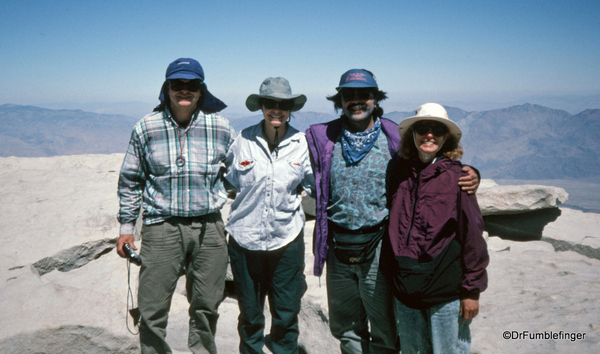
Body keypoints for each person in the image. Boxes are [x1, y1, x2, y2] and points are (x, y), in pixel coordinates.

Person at [305, 69, 480, 354]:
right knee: (346, 327)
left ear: (376, 99)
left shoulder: (394, 140)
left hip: (378, 246)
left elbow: (429, 166)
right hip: (337, 246)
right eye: (349, 95)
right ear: (340, 100)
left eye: (365, 95)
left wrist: (472, 173)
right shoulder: (322, 138)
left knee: (385, 327)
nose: (357, 101)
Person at [116, 58, 235, 354]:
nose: (185, 90)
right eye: (177, 84)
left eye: (191, 85)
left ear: (201, 89)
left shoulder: (220, 126)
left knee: (207, 305)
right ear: (166, 88)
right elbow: (130, 181)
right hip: (161, 227)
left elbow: (238, 174)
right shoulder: (147, 127)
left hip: (209, 226)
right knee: (152, 309)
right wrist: (126, 229)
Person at [385, 103, 489, 354]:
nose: (429, 134)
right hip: (406, 289)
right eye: (422, 127)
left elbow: (473, 235)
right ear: (413, 134)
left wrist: (471, 291)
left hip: (445, 291)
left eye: (437, 130)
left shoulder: (458, 178)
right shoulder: (398, 171)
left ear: (446, 138)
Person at [224, 77, 314, 354]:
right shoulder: (243, 140)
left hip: (286, 239)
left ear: (290, 108)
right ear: (261, 107)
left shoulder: (302, 143)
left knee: (287, 312)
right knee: (250, 314)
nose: (277, 109)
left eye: (283, 104)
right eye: (270, 103)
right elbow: (228, 182)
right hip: (244, 239)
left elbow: (311, 184)